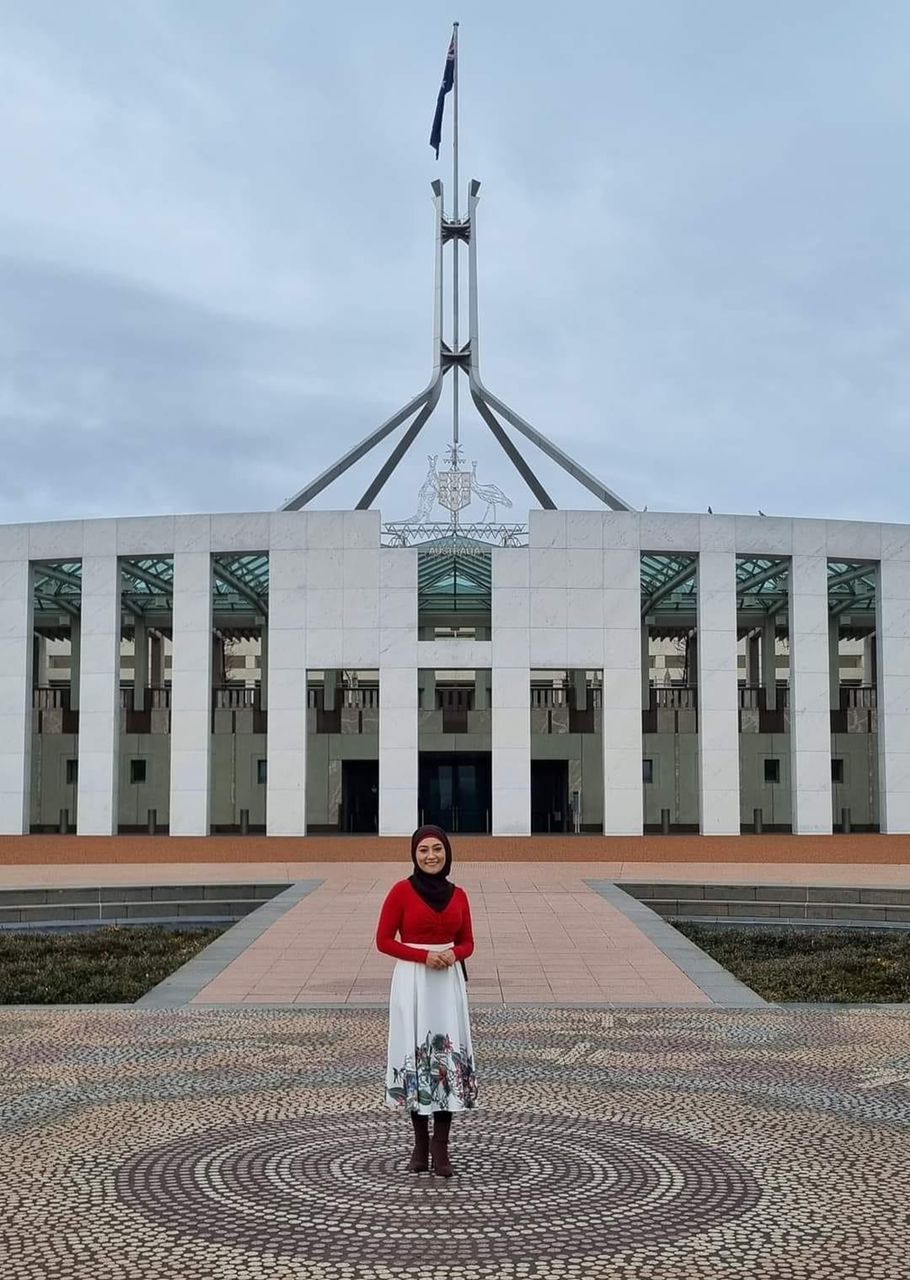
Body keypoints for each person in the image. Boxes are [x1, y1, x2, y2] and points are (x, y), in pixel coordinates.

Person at [375, 824, 477, 1177]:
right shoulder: (401, 892)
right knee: (417, 1058)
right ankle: (420, 1144)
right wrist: (422, 957)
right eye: (423, 850)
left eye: (437, 849)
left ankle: (441, 1148)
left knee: (444, 1060)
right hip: (414, 982)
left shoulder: (459, 894)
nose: (431, 856)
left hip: (446, 985)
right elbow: (384, 940)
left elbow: (468, 943)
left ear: (447, 853)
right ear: (414, 855)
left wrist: (453, 953)